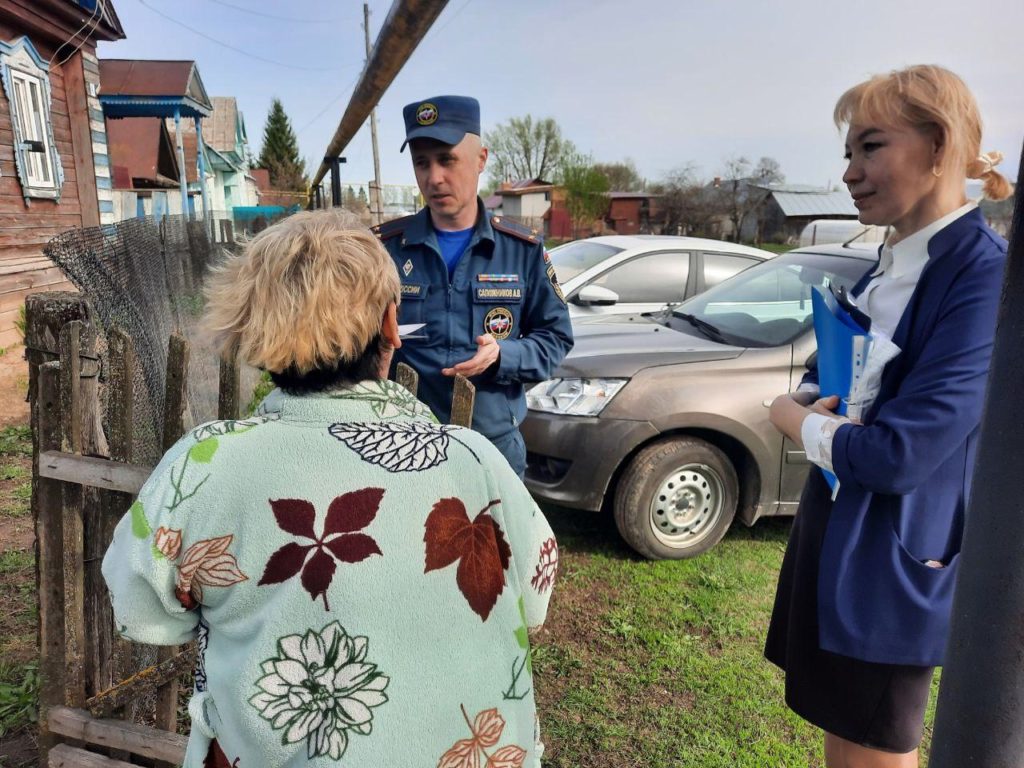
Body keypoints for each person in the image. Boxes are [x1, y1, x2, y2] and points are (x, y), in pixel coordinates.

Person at [102, 211, 559, 767]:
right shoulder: (476, 462)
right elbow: (533, 600)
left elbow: (144, 612)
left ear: (253, 328)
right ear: (392, 324)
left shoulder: (203, 466)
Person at [764, 65, 1013, 767]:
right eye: (848, 153)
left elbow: (899, 455)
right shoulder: (886, 263)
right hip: (836, 535)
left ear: (939, 146)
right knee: (841, 741)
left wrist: (793, 418)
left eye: (871, 147)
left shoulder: (982, 274)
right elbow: (835, 380)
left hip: (893, 557)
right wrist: (820, 405)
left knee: (870, 751)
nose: (849, 172)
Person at [373, 95, 573, 478]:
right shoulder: (385, 250)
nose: (434, 178)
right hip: (404, 446)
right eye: (421, 162)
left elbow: (555, 340)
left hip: (492, 448)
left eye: (447, 160)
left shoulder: (521, 251)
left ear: (480, 159)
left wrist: (503, 355)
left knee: (493, 539)